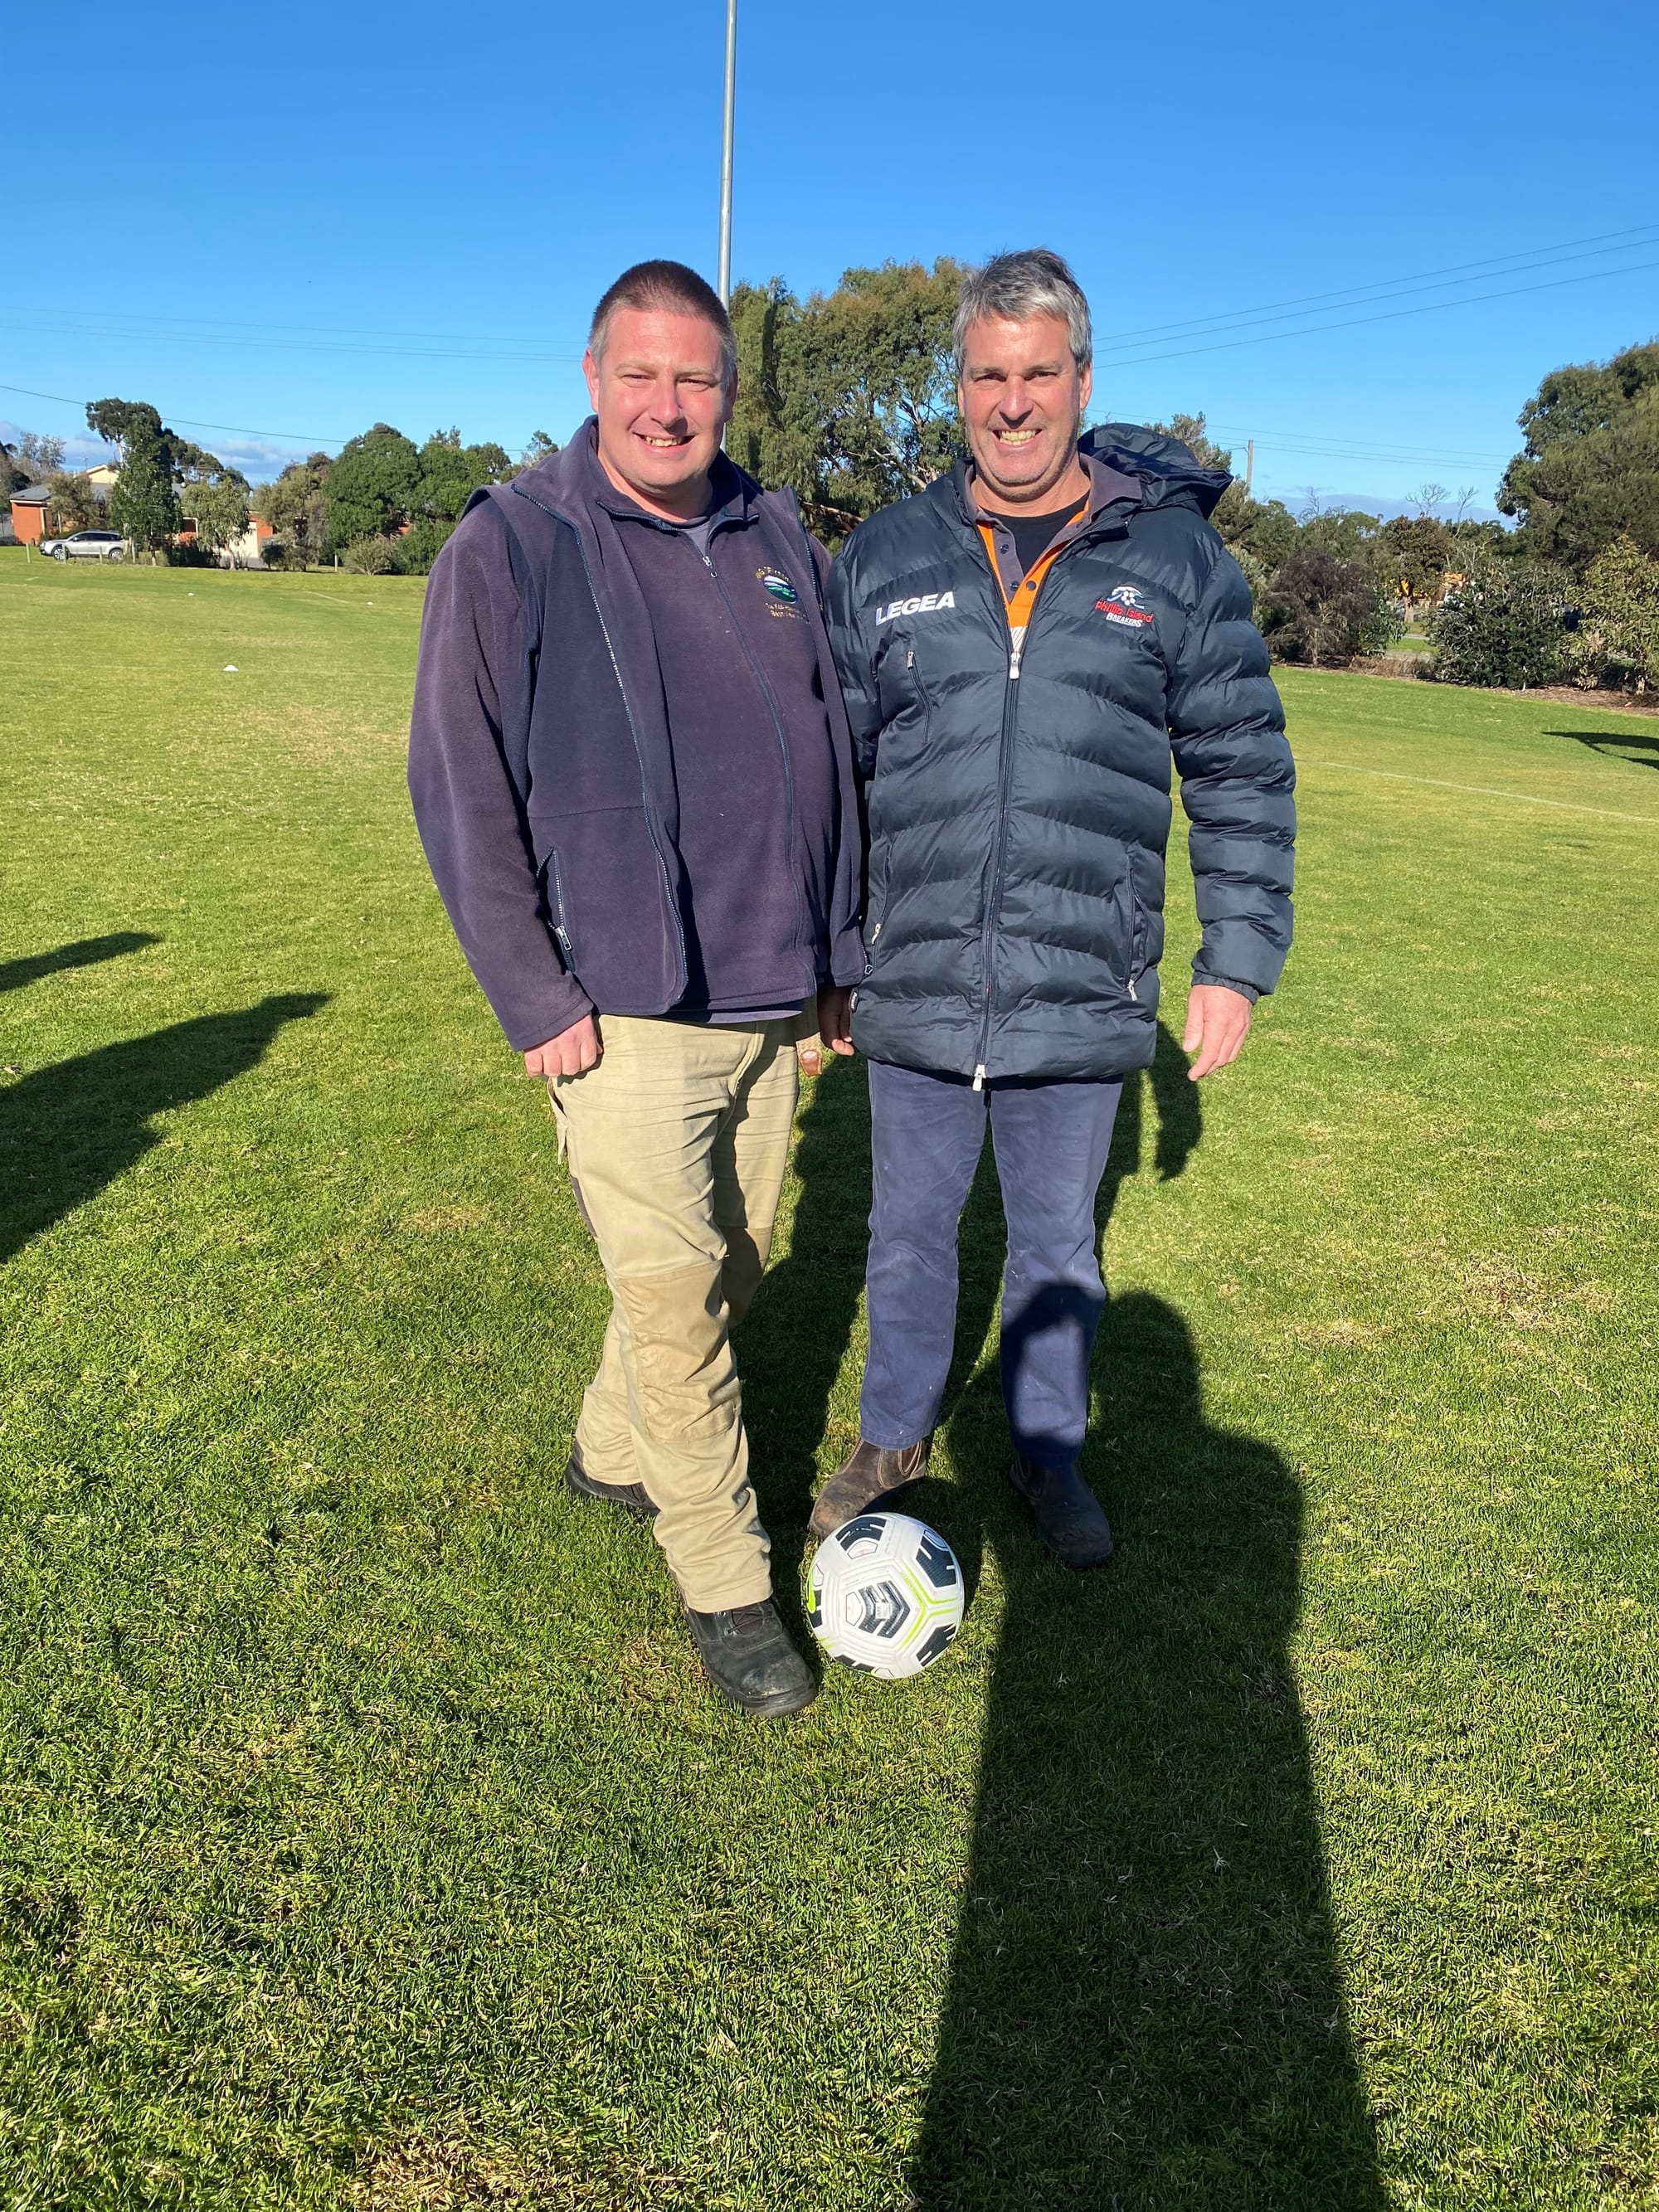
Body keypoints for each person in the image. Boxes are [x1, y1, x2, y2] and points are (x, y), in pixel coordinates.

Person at [408, 260, 862, 1715]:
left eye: (699, 378)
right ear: (593, 377)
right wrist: (532, 989)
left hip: (769, 989)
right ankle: (726, 1584)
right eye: (642, 374)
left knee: (727, 1266)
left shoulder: (776, 527)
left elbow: (837, 748)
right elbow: (457, 777)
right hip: (615, 1001)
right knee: (679, 1310)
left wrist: (840, 958)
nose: (671, 407)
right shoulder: (515, 539)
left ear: (730, 390)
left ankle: (611, 1450)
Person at [814, 247, 1295, 1563]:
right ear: (955, 387)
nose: (1012, 401)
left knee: (1056, 1248)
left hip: (1085, 981)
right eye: (988, 375)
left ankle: (1045, 1453)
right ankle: (891, 1434)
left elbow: (1242, 767)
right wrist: (831, 954)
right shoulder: (888, 553)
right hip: (913, 976)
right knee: (907, 1234)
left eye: (1039, 373)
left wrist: (1235, 959)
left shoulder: (1178, 560)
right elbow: (838, 777)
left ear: (1083, 380)